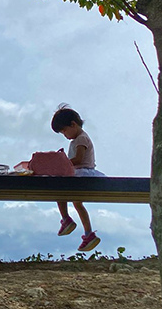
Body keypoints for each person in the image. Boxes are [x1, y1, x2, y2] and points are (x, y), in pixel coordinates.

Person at [51, 105, 104, 251]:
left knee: (57, 185)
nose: (65, 135)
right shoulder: (77, 140)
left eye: (64, 131)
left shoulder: (81, 139)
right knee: (78, 203)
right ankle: (88, 234)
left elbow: (79, 159)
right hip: (81, 173)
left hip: (83, 173)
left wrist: (62, 162)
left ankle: (66, 218)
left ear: (73, 125)